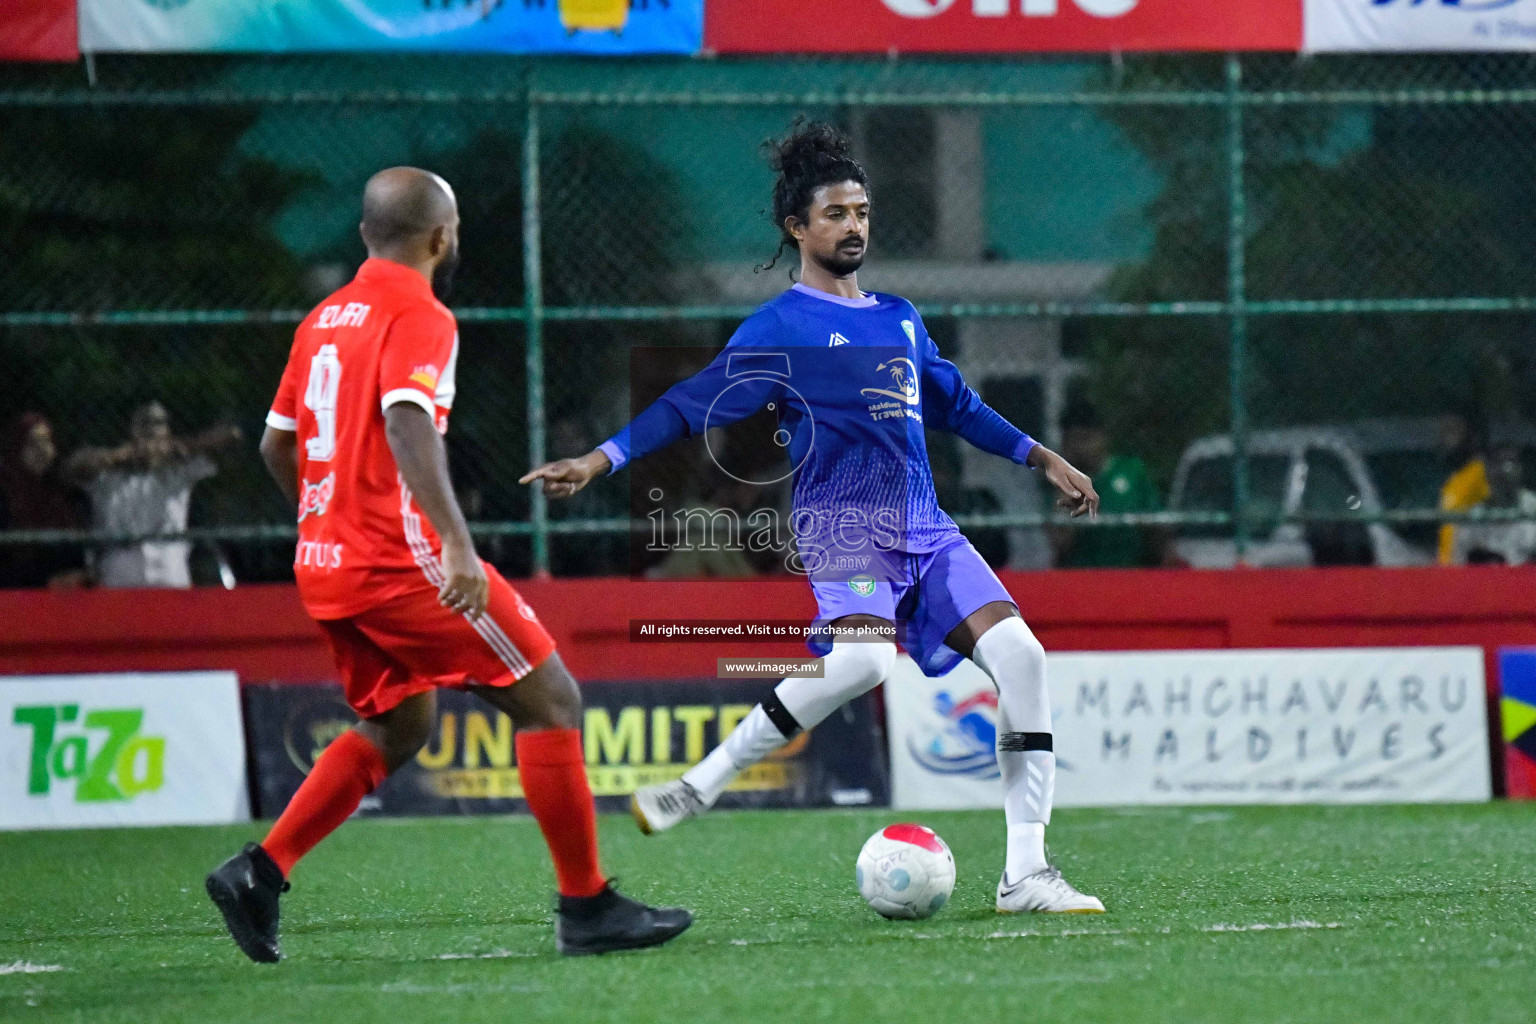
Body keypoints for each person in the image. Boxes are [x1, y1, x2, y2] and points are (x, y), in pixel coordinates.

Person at [522, 122, 1105, 914]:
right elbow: (694, 403)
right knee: (865, 665)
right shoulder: (779, 327)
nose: (854, 225)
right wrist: (600, 459)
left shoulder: (899, 314)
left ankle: (1025, 875)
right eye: (835, 213)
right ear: (797, 228)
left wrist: (1042, 456)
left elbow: (957, 405)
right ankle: (701, 783)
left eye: (861, 211)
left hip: (924, 525)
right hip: (841, 526)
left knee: (1023, 658)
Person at [205, 167, 690, 964]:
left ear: (366, 234)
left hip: (325, 565)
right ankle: (587, 907)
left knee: (402, 721)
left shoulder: (323, 318)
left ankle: (260, 871)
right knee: (551, 699)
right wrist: (457, 546)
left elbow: (275, 445)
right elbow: (407, 422)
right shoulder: (421, 313)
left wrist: (327, 521)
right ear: (442, 238)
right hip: (401, 564)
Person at [66, 402, 240, 588]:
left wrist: (181, 447)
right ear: (133, 432)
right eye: (145, 426)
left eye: (159, 424)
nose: (152, 432)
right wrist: (117, 455)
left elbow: (232, 437)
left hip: (169, 572)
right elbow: (73, 468)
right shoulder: (109, 475)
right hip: (120, 574)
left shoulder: (178, 470)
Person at [1052, 400, 1177, 569]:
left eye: (1086, 439)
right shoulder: (1061, 485)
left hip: (1130, 575)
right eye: (1073, 441)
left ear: (1102, 438)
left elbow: (1158, 531)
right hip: (1082, 578)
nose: (1080, 448)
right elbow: (1061, 543)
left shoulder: (1132, 471)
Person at [0, 413, 88, 588]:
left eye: (46, 441)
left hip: (66, 599)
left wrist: (80, 575)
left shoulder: (67, 495)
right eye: (33, 443)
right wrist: (44, 582)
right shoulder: (5, 495)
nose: (41, 449)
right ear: (18, 448)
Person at [1453, 445, 1536, 566]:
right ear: (1488, 474)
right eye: (1496, 463)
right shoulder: (1473, 517)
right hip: (1486, 582)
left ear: (1520, 469)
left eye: (1510, 462)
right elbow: (1459, 566)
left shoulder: (1533, 507)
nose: (1502, 471)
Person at [1436, 412, 1489, 565]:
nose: (1445, 438)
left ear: (1471, 435)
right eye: (1443, 432)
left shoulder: (1482, 472)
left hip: (1471, 569)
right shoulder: (1453, 479)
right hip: (1448, 568)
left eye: (1452, 431)